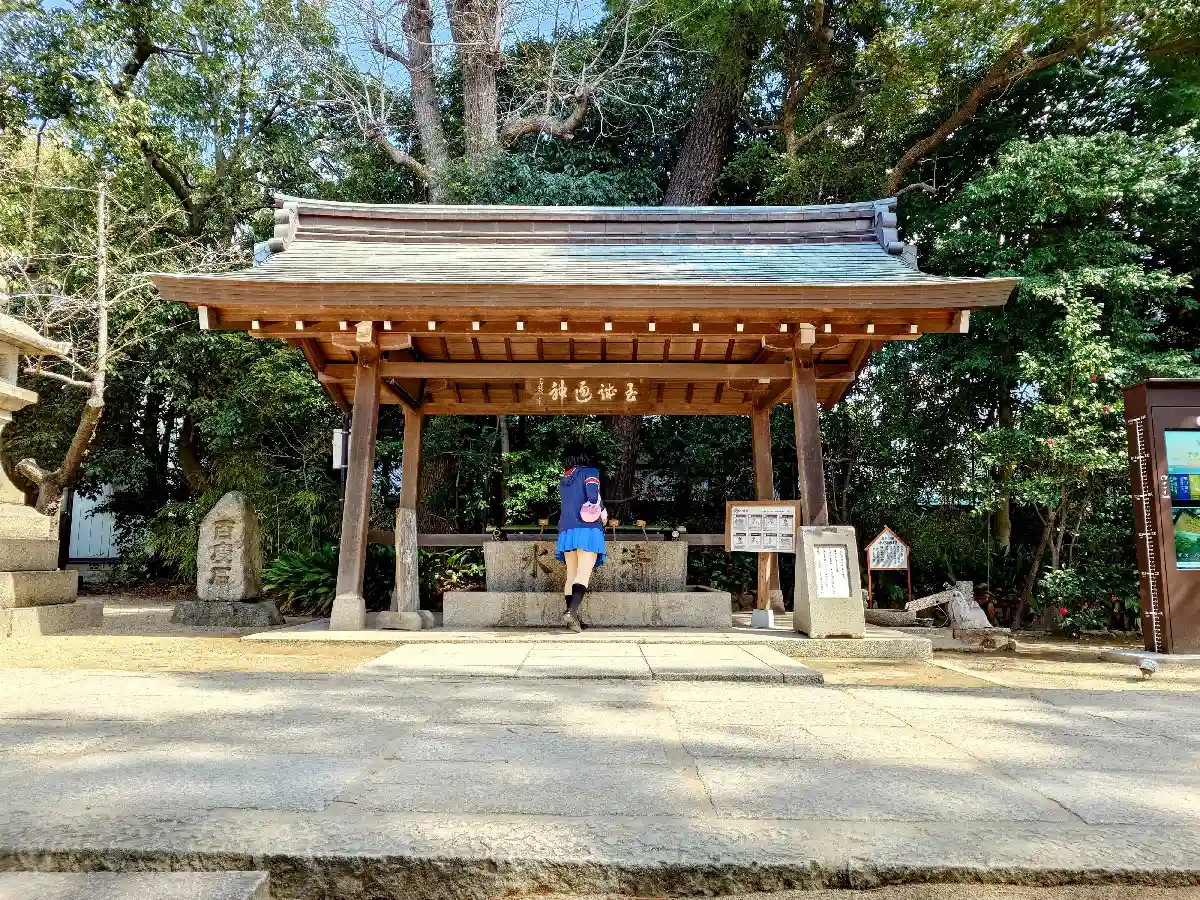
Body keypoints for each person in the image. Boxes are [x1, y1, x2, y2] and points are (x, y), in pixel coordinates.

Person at [555, 444, 606, 633]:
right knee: (583, 574)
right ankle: (570, 612)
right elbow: (592, 496)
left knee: (571, 575)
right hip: (587, 529)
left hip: (567, 530)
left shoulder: (565, 479)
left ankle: (573, 620)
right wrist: (601, 509)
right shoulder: (590, 472)